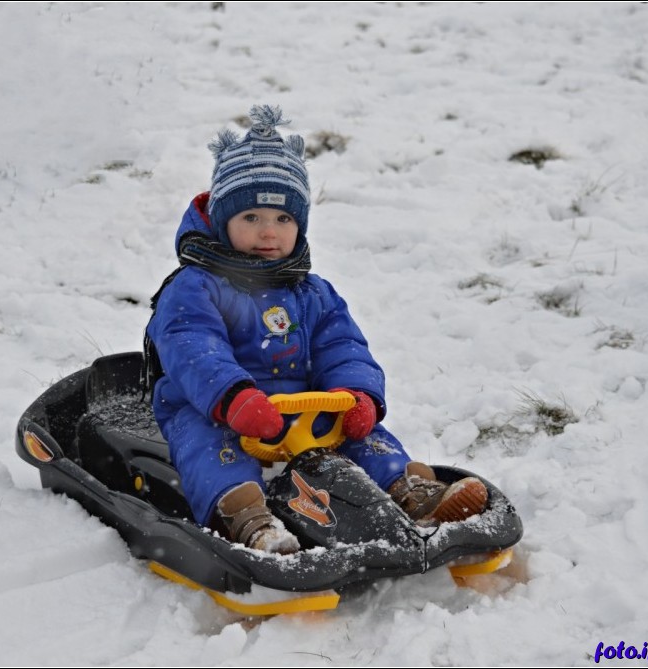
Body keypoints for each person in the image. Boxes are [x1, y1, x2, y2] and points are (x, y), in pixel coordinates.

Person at [146, 104, 487, 554]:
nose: (269, 232)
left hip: (306, 408)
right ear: (221, 221)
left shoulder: (312, 291)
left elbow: (342, 345)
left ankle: (410, 490)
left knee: (366, 438)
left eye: (283, 219)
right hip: (218, 407)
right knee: (211, 449)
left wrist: (358, 393)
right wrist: (232, 397)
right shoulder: (196, 285)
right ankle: (247, 518)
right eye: (251, 218)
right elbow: (192, 345)